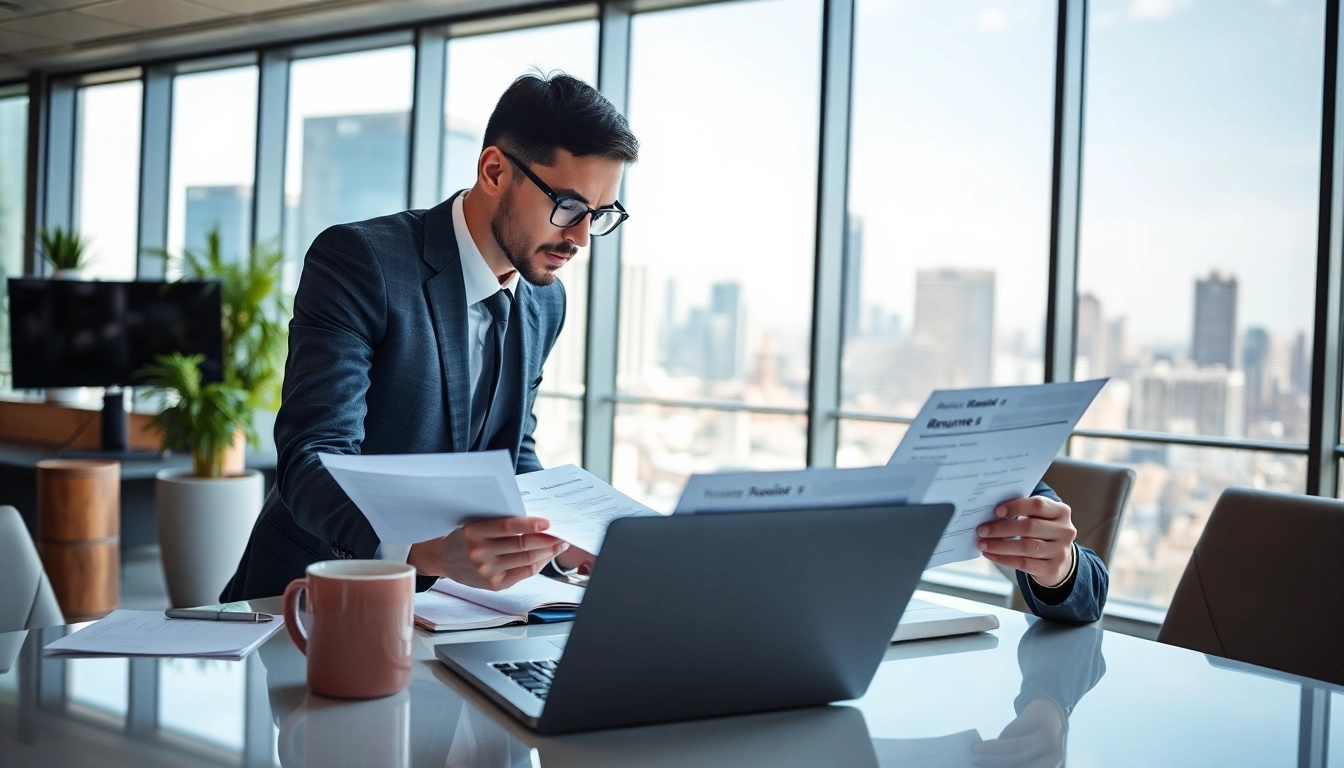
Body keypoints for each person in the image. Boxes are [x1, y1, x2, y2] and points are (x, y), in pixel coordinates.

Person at [220, 72, 637, 601]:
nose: (580, 237)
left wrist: (563, 539)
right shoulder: (362, 261)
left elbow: (510, 451)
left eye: (599, 216)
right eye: (569, 207)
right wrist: (424, 554)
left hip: (448, 608)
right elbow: (313, 456)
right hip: (308, 592)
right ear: (493, 171)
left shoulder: (544, 300)